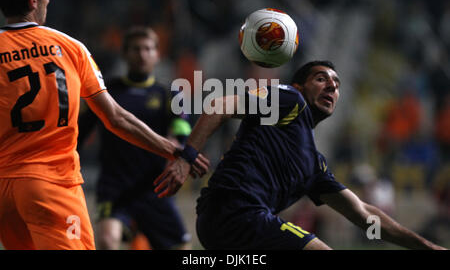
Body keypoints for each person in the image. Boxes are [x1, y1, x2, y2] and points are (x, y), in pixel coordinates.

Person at [0, 0, 209, 250]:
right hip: (51, 184)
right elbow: (115, 118)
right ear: (34, 0)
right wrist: (174, 149)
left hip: (5, 191)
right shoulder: (69, 48)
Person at [154, 60, 446, 250]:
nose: (332, 85)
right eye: (321, 79)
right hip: (237, 213)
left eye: (336, 84)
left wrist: (427, 247)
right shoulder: (288, 99)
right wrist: (185, 158)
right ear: (298, 86)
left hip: (226, 228)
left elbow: (364, 214)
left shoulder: (314, 165)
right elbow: (219, 105)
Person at [78, 26, 192, 250]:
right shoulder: (105, 92)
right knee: (107, 241)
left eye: (148, 49)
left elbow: (181, 132)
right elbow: (80, 132)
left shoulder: (170, 94)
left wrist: (180, 153)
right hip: (115, 186)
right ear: (125, 54)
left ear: (157, 55)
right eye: (136, 49)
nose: (142, 55)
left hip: (154, 187)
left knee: (183, 248)